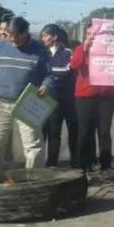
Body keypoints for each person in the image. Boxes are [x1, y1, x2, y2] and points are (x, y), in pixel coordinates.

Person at [0, 17, 52, 172]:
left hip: (28, 102)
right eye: (9, 35)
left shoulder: (40, 50)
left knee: (33, 145)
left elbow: (48, 74)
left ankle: (34, 179)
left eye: (16, 36)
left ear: (26, 33)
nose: (12, 39)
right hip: (0, 102)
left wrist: (45, 85)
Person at [70, 22, 114, 180]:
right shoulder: (80, 49)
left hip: (106, 96)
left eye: (96, 34)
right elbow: (75, 64)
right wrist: (85, 48)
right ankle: (82, 167)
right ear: (85, 35)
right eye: (90, 34)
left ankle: (106, 166)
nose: (92, 37)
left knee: (104, 132)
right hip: (85, 97)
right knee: (84, 132)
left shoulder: (109, 50)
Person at [40, 25, 78, 169]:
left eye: (46, 36)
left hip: (64, 98)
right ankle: (42, 162)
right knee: (45, 132)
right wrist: (53, 73)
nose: (43, 39)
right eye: (42, 36)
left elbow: (66, 71)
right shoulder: (41, 53)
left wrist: (50, 73)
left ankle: (57, 163)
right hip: (43, 98)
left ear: (54, 37)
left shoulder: (67, 53)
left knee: (58, 131)